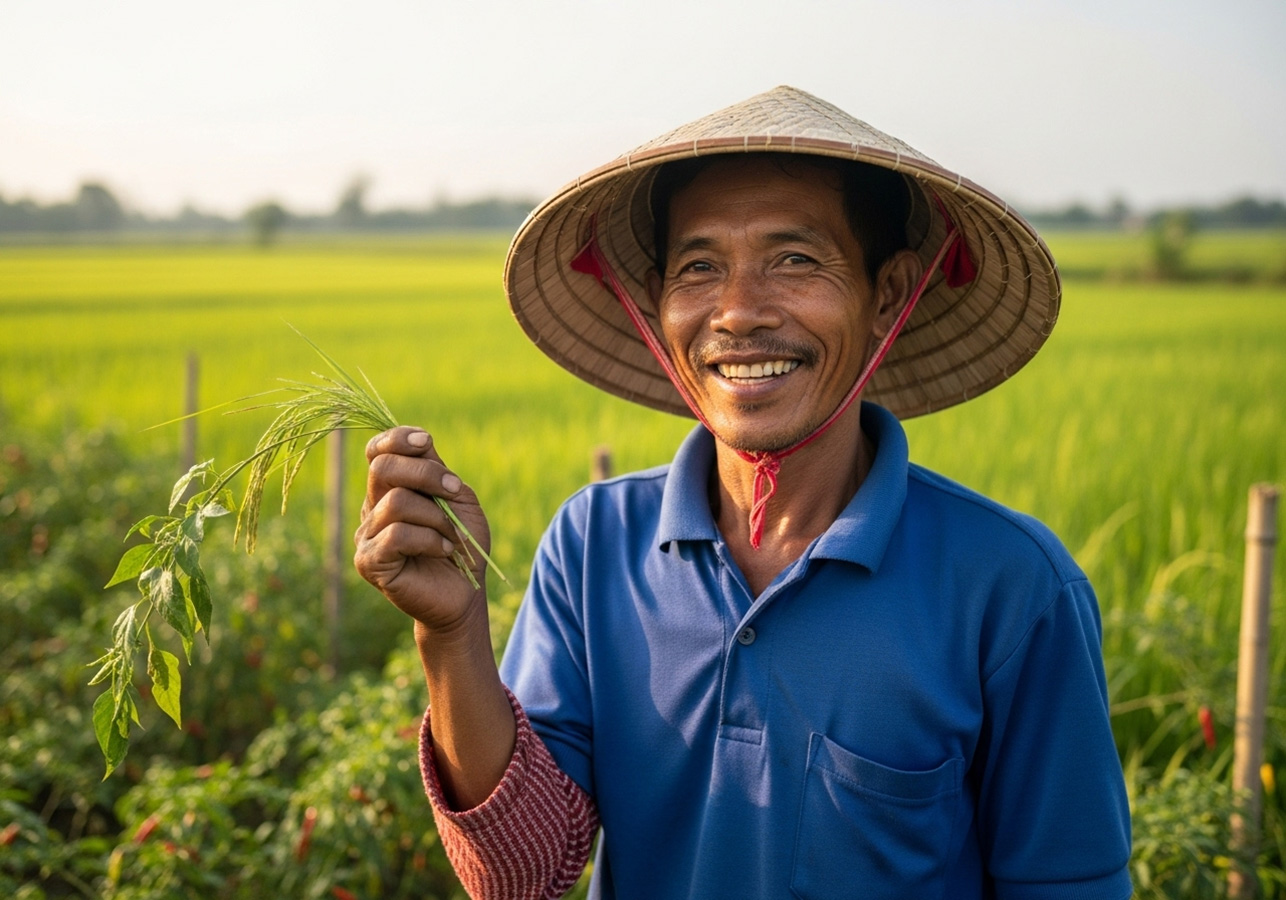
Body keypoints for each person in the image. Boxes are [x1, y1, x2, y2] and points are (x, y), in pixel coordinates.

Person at [355, 86, 1133, 899]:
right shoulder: (593, 545)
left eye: (795, 260)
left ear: (891, 294)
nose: (738, 313)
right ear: (658, 305)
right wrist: (451, 637)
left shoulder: (1008, 585)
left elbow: (1065, 883)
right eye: (699, 268)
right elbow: (522, 876)